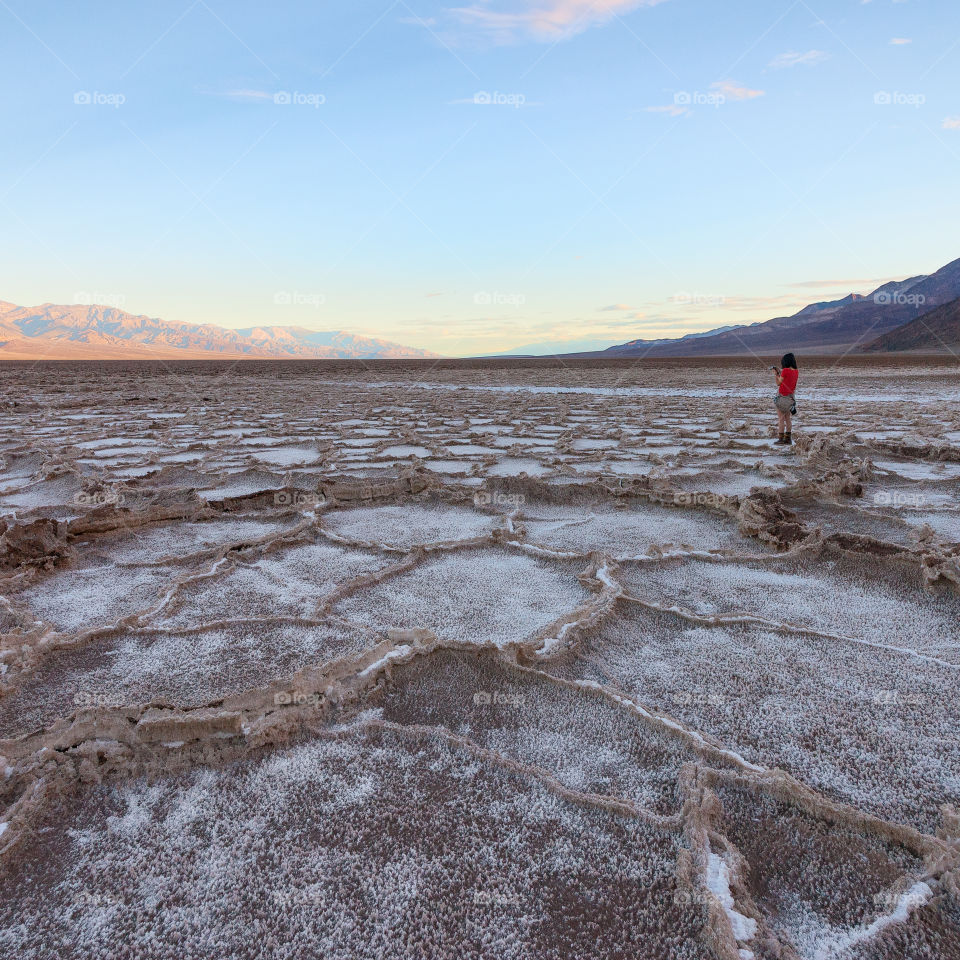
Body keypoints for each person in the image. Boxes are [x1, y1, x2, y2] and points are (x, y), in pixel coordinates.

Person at [772, 353, 798, 446]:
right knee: (788, 418)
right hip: (790, 398)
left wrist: (776, 374)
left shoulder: (785, 370)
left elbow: (778, 383)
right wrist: (780, 373)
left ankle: (781, 439)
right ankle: (788, 439)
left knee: (781, 419)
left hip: (783, 397)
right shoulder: (796, 371)